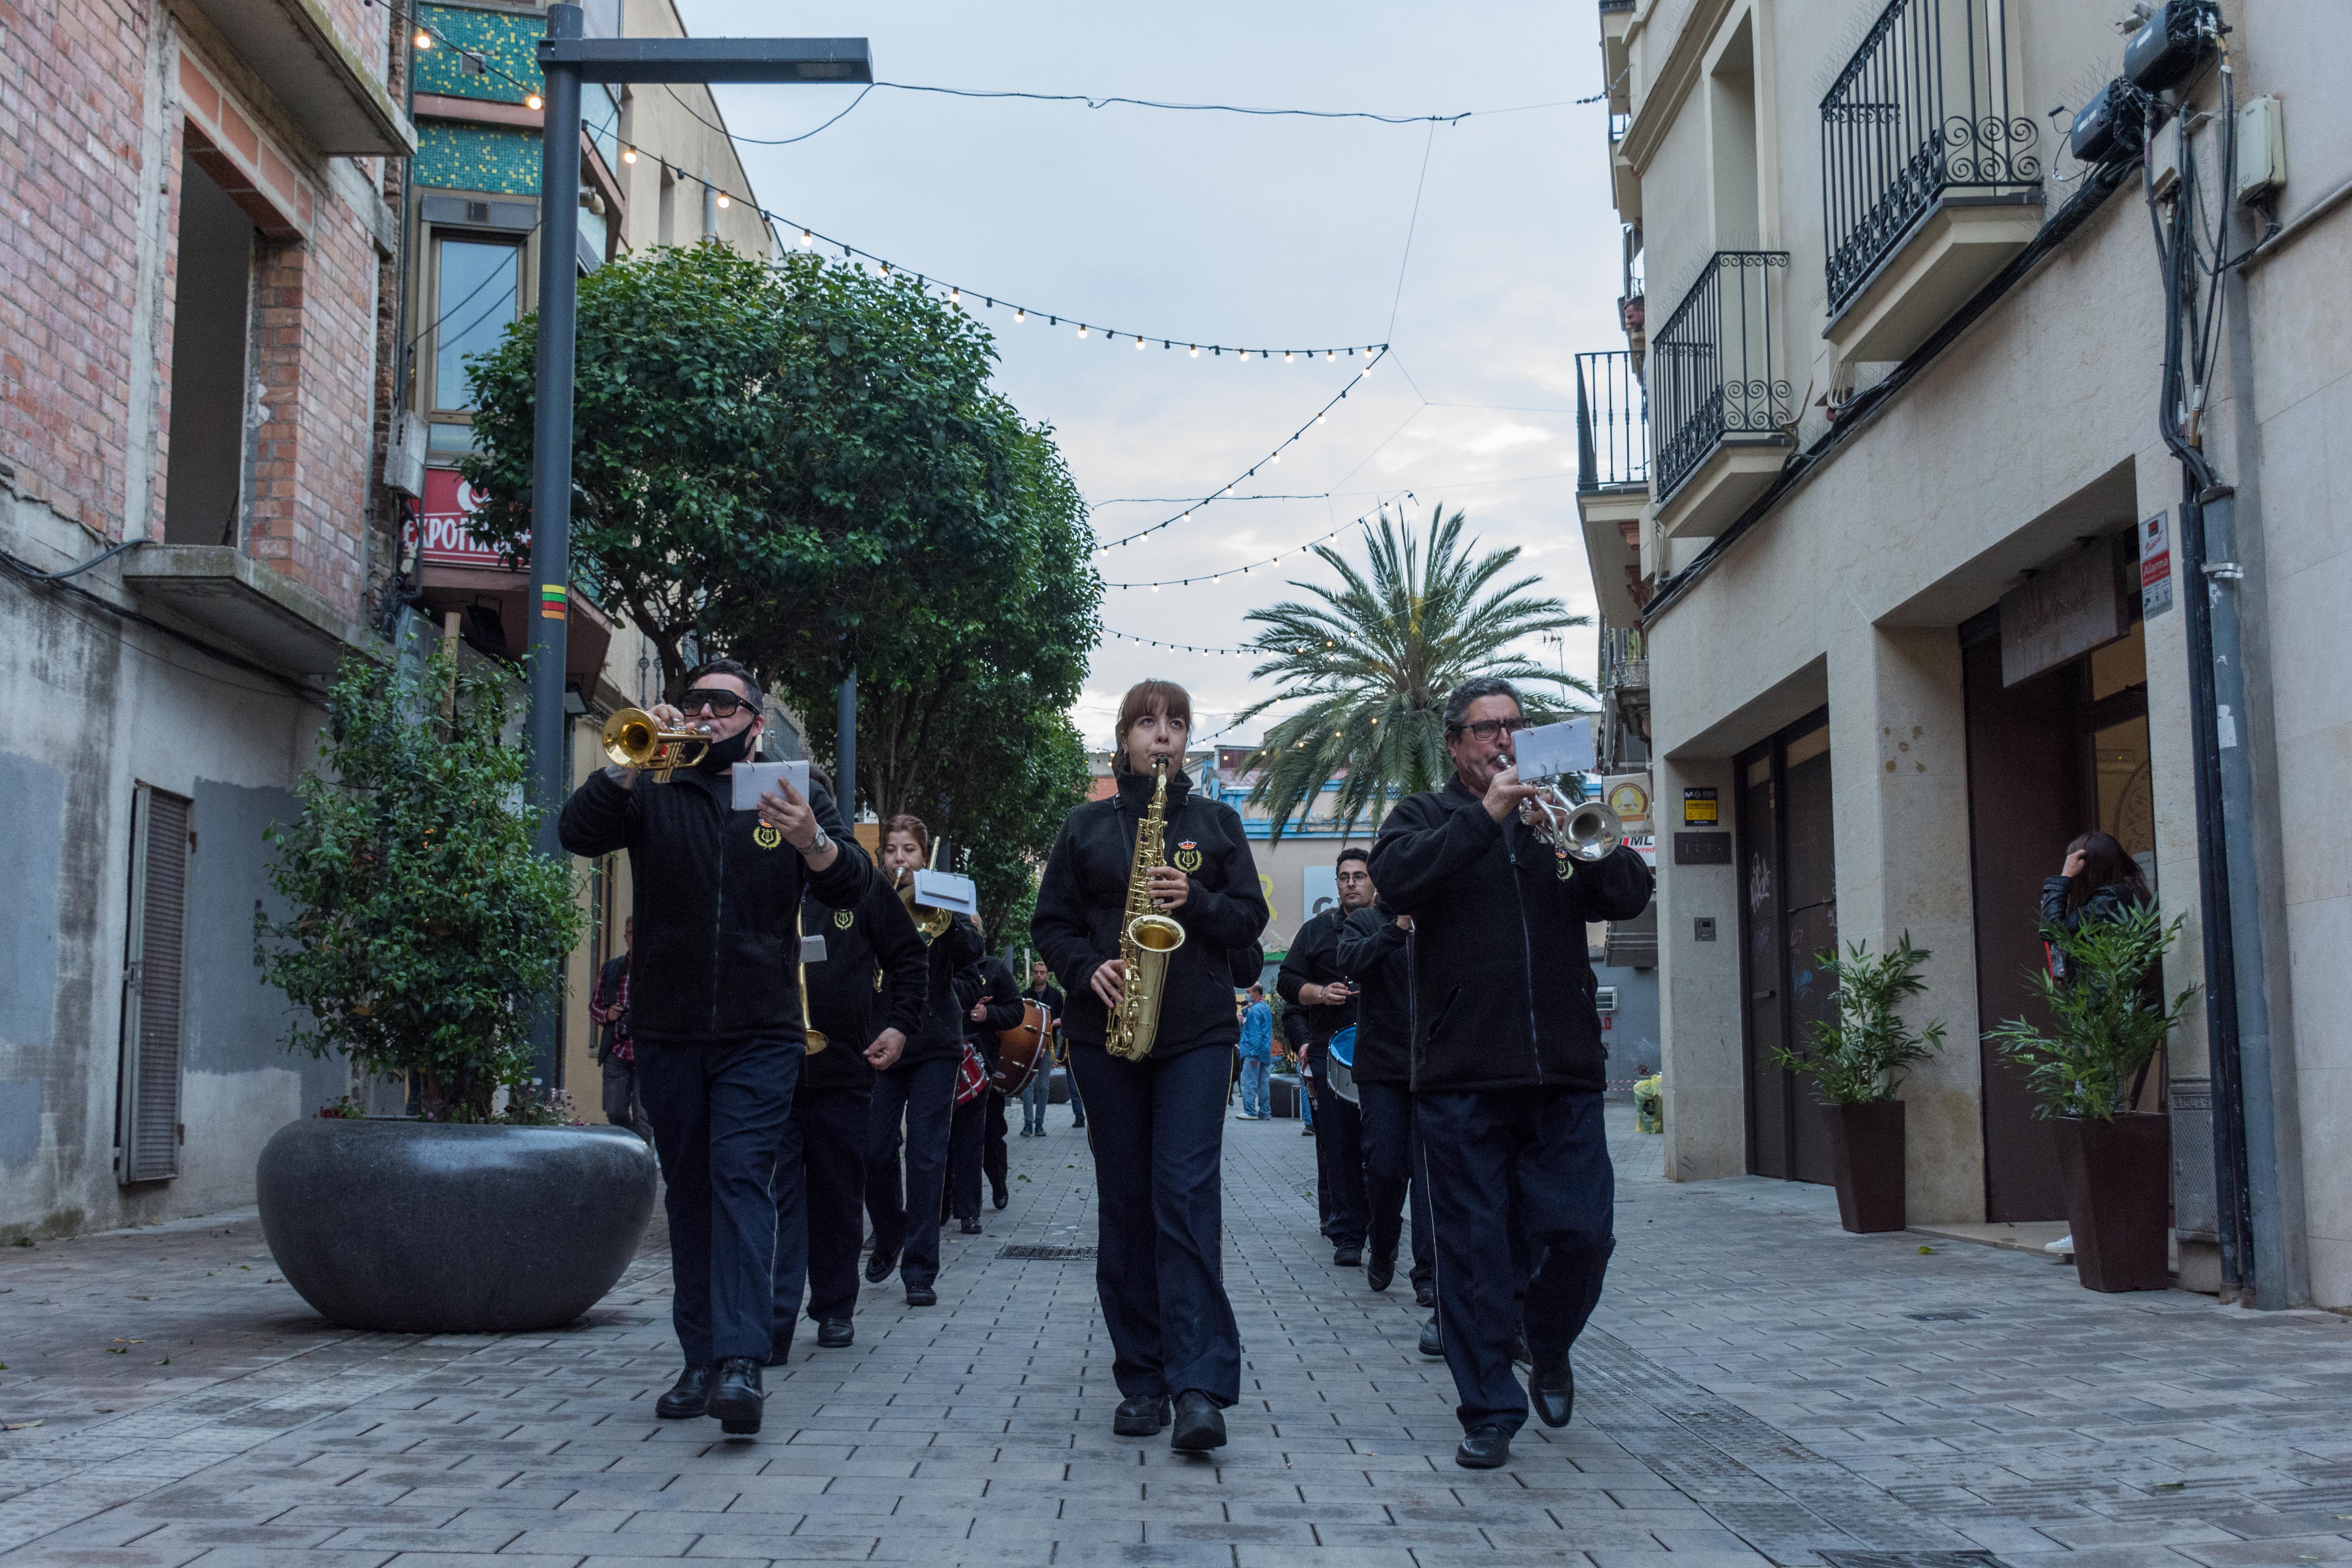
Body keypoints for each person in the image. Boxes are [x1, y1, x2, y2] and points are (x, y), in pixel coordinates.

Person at [557, 659, 869, 1437]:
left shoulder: (790, 789)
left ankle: (740, 1361)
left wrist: (815, 844)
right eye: (695, 700)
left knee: (739, 1177)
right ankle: (698, 1357)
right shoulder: (656, 784)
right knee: (692, 1188)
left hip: (762, 1027)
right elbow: (577, 832)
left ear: (755, 721)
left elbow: (853, 886)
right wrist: (628, 763)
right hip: (666, 1024)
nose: (705, 712)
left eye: (722, 704)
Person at [1370, 675, 1653, 1470]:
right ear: (1457, 743)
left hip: (1561, 1072)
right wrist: (1485, 815)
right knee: (1472, 1252)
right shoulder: (1423, 819)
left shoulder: (1556, 817)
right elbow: (1397, 881)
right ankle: (1489, 1405)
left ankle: (1549, 1339)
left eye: (1514, 727)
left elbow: (1630, 894)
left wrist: (1575, 837)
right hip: (1461, 1074)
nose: (1502, 741)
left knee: (1583, 1234)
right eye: (1486, 729)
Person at [1032, 679, 1269, 1452]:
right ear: (1125, 737)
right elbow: (1052, 922)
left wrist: (1194, 899)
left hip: (1197, 1031)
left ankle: (1199, 1384)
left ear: (1187, 739)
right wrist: (1083, 967)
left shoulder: (1218, 822)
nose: (1161, 735)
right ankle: (1141, 1376)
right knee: (1127, 1202)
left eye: (1175, 723)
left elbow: (1248, 923)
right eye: (1147, 722)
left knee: (1187, 1195)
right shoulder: (1086, 825)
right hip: (1108, 1033)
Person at [771, 848, 927, 1361]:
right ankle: (773, 1315)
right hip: (765, 1067)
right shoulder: (759, 864)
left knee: (838, 1194)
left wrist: (900, 1023)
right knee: (776, 1198)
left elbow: (908, 956)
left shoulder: (858, 878)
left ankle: (835, 1307)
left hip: (843, 1068)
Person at [862, 815, 983, 1307]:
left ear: (924, 854)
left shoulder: (945, 893)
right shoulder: (869, 892)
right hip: (882, 1039)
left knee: (927, 1155)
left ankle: (920, 1268)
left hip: (935, 1040)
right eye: (891, 850)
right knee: (874, 1149)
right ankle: (889, 1233)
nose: (899, 859)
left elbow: (974, 952)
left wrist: (948, 915)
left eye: (909, 850)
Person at [1335, 889, 1436, 1308]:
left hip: (1435, 1068)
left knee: (1430, 1176)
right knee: (1385, 1166)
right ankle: (1383, 1243)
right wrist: (1399, 928)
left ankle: (1428, 1274)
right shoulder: (1365, 922)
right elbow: (1351, 962)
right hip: (1382, 1068)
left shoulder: (1441, 916)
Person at [1279, 850, 1374, 1267]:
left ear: (1373, 882)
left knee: (1385, 1151)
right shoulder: (1316, 930)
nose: (1352, 883)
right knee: (1337, 1148)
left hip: (1385, 1051)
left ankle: (1381, 1225)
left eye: (1360, 876)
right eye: (1344, 877)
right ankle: (1347, 1234)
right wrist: (1320, 993)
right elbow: (1286, 982)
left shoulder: (1392, 926)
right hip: (1329, 1050)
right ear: (1336, 884)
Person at [949, 939, 1024, 1229]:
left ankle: (998, 1184)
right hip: (947, 1054)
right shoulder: (942, 960)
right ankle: (953, 1208)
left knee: (991, 1132)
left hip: (983, 1060)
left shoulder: (993, 968)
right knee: (949, 1136)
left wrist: (989, 1015)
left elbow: (1016, 1010)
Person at [2041, 830, 2154, 980]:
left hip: (2109, 997)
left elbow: (2054, 931)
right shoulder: (2124, 893)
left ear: (2085, 869)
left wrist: (2065, 877)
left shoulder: (2111, 898)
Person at [588, 916, 652, 1142]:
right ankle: (630, 1154)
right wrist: (609, 1014)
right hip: (616, 1050)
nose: (634, 938)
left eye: (638, 932)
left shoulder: (654, 969)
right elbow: (595, 1006)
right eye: (630, 933)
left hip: (645, 1052)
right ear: (626, 937)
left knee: (645, 1115)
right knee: (614, 1111)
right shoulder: (612, 968)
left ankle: (640, 1167)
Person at [1019, 962, 1065, 1136]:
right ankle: (1028, 1124)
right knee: (1028, 1085)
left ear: (1048, 975)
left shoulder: (1055, 996)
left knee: (1044, 1086)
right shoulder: (1025, 996)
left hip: (1048, 1046)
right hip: (1029, 1045)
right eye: (1036, 972)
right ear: (1033, 975)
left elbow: (1063, 1018)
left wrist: (1058, 1022)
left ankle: (1040, 1124)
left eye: (1042, 973)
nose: (1039, 975)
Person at [1235, 984, 1273, 1120]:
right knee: (1263, 1083)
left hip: (1253, 1053)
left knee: (1248, 1082)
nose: (1247, 994)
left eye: (1249, 992)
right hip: (1265, 1053)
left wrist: (1254, 1055)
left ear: (1256, 993)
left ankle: (1250, 1111)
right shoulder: (1265, 1008)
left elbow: (1255, 1035)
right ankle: (1265, 1112)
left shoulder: (1255, 1011)